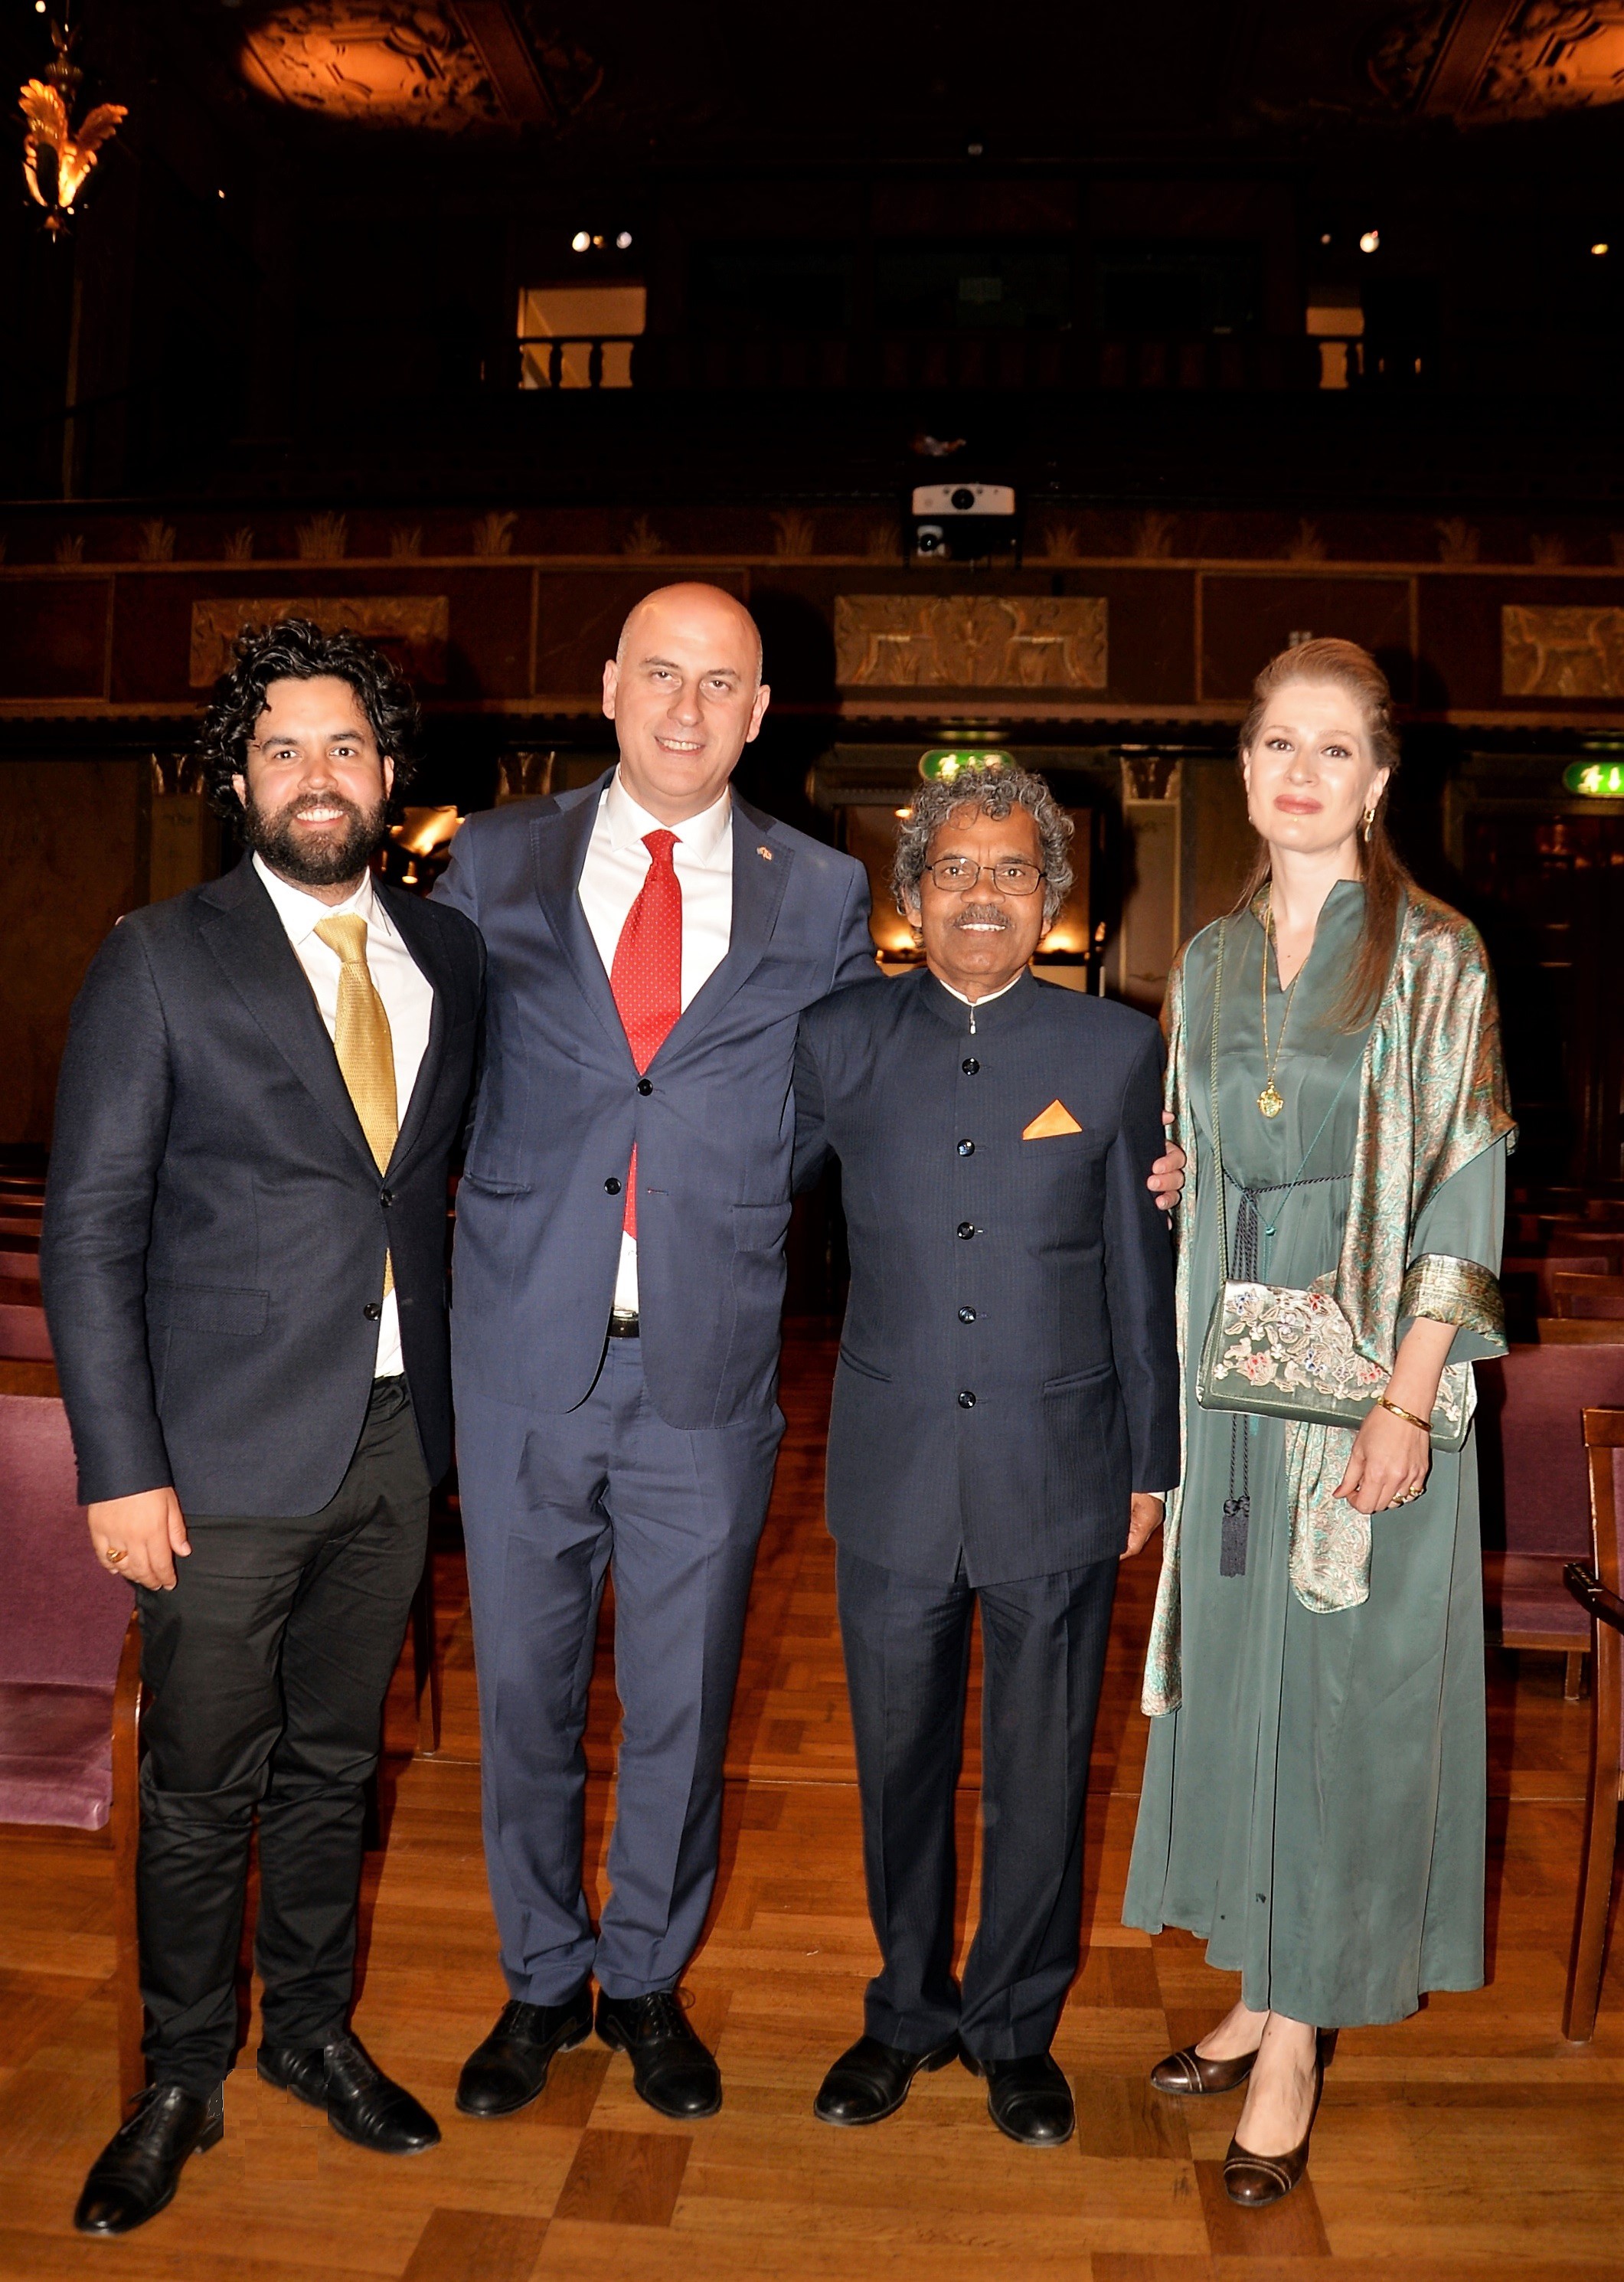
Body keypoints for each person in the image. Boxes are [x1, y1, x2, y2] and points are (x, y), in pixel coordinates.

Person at [434, 584, 1188, 2125]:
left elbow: (874, 1104)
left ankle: (647, 1983)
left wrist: (1152, 1169)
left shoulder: (819, 891)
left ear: (761, 711)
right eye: (661, 674)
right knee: (518, 1695)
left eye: (720, 682)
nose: (687, 707)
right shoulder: (491, 859)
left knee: (683, 1706)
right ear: (607, 683)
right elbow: (419, 1078)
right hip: (520, 1352)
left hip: (707, 1368)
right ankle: (539, 1980)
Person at [41, 620, 485, 2236]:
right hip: (217, 1458)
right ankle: (177, 2072)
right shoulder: (161, 955)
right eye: (282, 747)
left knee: (331, 1768)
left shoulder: (449, 956)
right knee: (198, 1785)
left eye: (344, 745)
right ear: (239, 779)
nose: (316, 774)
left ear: (387, 771)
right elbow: (92, 1226)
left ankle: (308, 2028)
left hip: (394, 1442)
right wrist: (121, 1467)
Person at [1122, 639, 1513, 2206]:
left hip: (1368, 1380)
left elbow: (1465, 1183)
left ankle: (1293, 2040)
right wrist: (1187, 1175)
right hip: (1230, 1374)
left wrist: (1406, 1399)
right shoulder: (1212, 956)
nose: (1301, 771)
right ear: (1240, 769)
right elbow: (1213, 1136)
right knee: (1245, 1681)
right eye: (1277, 743)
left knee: (1342, 1700)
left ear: (1377, 777)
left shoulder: (1433, 954)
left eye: (1333, 747)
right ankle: (1259, 1977)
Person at [792, 764, 1181, 2147]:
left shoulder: (1114, 1052)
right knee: (896, 1765)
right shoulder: (835, 1038)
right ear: (909, 896)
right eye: (952, 868)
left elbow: (1140, 1274)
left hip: (1060, 1467)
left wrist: (1151, 1464)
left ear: (1051, 899)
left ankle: (1016, 2025)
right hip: (890, 1466)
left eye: (1012, 871)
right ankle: (903, 2010)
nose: (980, 894)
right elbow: (742, 1206)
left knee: (1041, 1769)